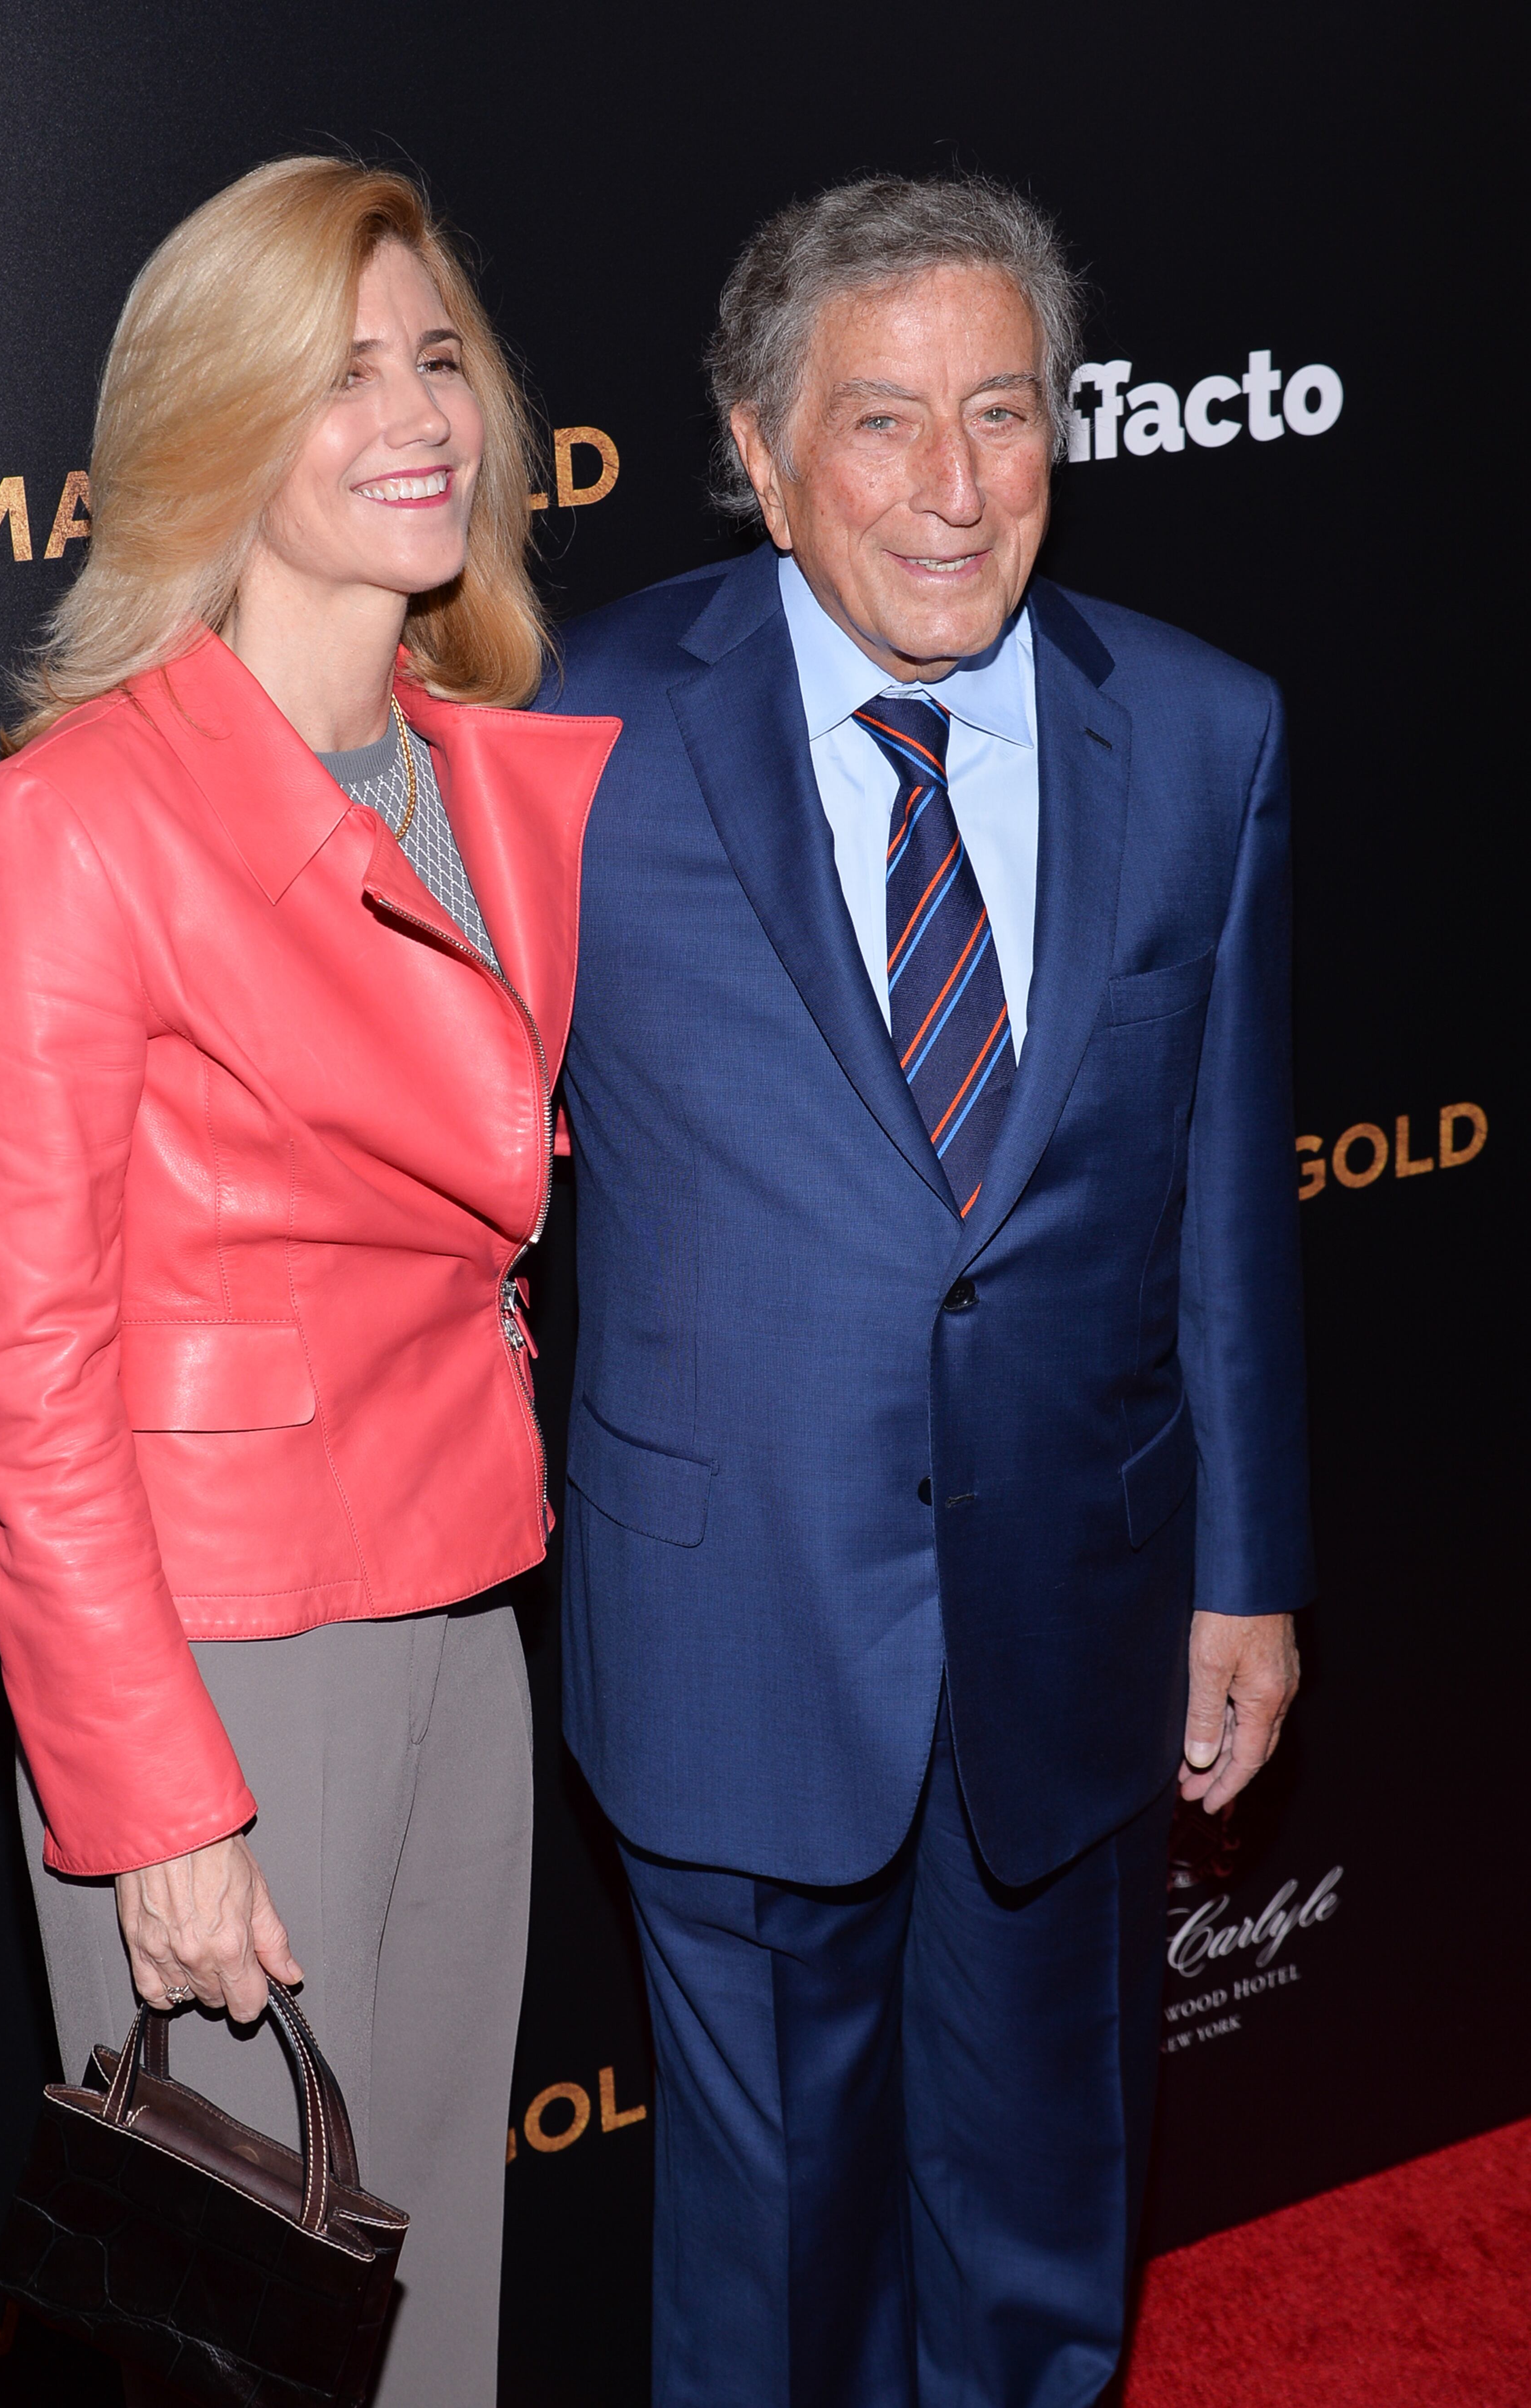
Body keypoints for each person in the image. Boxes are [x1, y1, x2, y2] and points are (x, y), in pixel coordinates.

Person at [539, 175, 1310, 2407]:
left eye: (1003, 414)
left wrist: (1247, 1576)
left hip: (1080, 1612)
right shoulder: (567, 739)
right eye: (881, 425)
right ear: (759, 453)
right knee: (771, 2283)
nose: (956, 492)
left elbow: (1222, 1203)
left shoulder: (1202, 733)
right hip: (731, 1622)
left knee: (1047, 2229)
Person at [0, 156, 616, 2408]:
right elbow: (21, 1378)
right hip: (218, 1658)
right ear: (214, 429)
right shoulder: (66, 833)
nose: (416, 412)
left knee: (427, 2258)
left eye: (433, 358)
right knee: (230, 2330)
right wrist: (155, 1797)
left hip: (461, 1606)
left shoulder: (489, 778)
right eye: (335, 373)